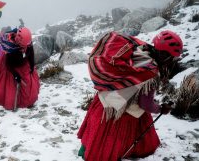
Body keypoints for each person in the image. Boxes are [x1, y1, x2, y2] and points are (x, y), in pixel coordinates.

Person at [77, 30, 183, 161]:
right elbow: (145, 104)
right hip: (119, 112)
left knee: (96, 136)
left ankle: (85, 150)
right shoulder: (150, 72)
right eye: (171, 58)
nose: (171, 61)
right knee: (114, 144)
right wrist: (160, 109)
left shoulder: (139, 50)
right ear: (165, 55)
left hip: (104, 100)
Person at [0, 27, 40, 110]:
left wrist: (32, 66)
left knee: (27, 83)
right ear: (19, 41)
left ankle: (29, 100)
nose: (25, 47)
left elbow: (31, 52)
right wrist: (15, 75)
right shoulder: (10, 48)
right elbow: (9, 64)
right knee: (11, 86)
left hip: (23, 64)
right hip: (11, 65)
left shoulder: (27, 43)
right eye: (23, 46)